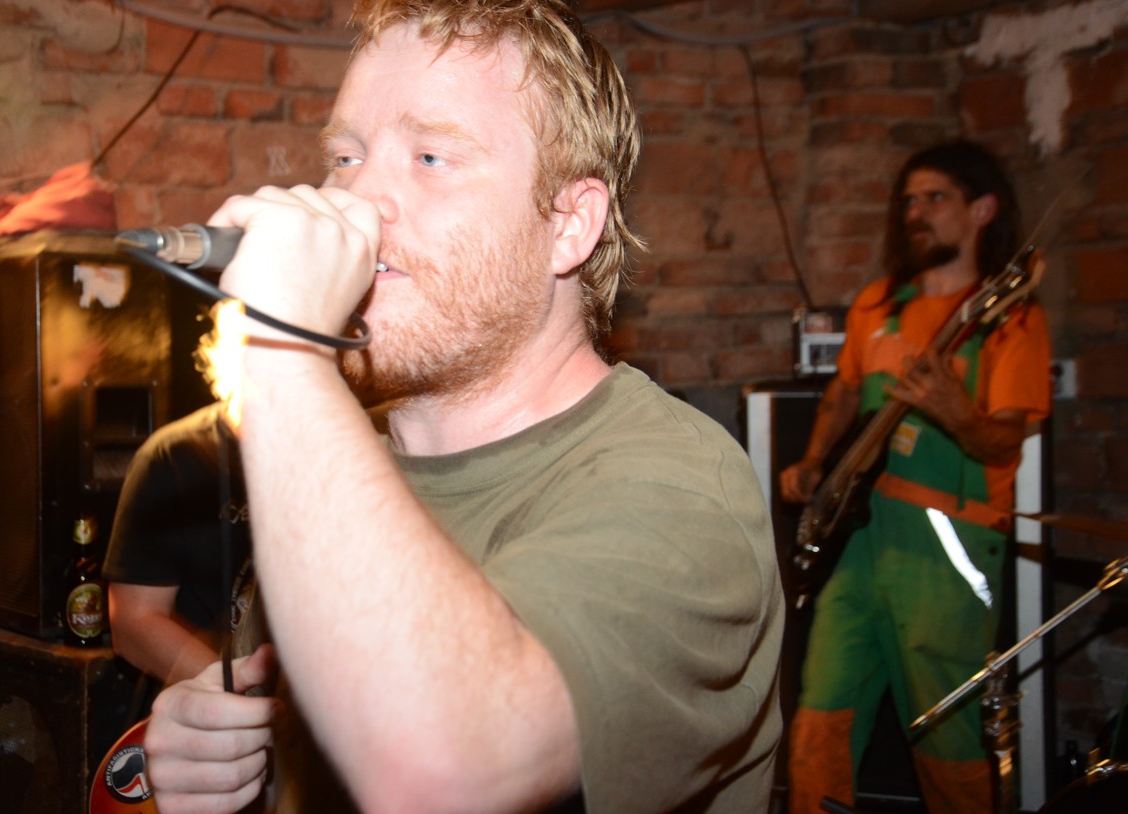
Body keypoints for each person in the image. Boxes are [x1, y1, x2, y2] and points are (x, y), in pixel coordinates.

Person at [140, 1, 785, 813]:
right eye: (345, 156)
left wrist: (282, 345)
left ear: (568, 225)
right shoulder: (333, 461)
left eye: (430, 157)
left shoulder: (679, 489)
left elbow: (439, 773)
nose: (358, 199)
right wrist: (226, 761)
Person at [779, 140, 1052, 814]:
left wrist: (955, 412)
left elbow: (1003, 441)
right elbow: (844, 392)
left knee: (945, 735)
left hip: (949, 550)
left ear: (981, 210)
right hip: (863, 542)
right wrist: (813, 462)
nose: (915, 213)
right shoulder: (878, 304)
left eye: (934, 198)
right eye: (908, 200)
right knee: (818, 720)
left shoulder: (1010, 318)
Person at [104, 400, 254, 692]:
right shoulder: (173, 455)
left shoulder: (338, 452)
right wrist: (242, 697)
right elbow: (134, 621)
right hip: (220, 701)